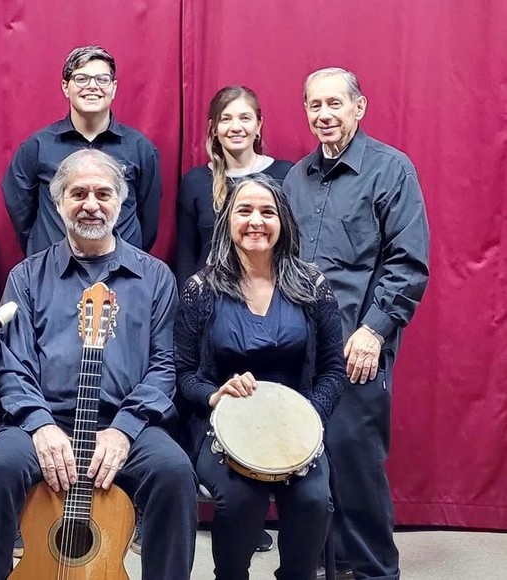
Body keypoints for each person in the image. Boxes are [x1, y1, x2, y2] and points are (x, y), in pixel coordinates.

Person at [0, 149, 197, 580]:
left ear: (122, 202)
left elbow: (165, 367)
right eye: (78, 193)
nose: (91, 204)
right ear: (58, 202)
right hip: (41, 422)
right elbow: (12, 365)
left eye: (103, 193)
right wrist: (41, 424)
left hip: (126, 423)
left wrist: (125, 429)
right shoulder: (26, 277)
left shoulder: (156, 277)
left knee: (175, 474)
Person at [283, 67, 430, 580]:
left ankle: (371, 572)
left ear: (359, 107)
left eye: (334, 104)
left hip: (357, 346)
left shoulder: (391, 170)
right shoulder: (294, 178)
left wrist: (373, 330)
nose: (324, 115)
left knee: (355, 466)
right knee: (307, 468)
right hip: (300, 348)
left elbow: (407, 261)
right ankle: (327, 566)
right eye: (314, 106)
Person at [176, 174, 345, 579]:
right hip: (223, 428)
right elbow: (182, 373)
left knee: (312, 501)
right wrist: (215, 395)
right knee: (238, 500)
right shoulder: (201, 289)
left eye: (267, 211)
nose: (256, 221)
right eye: (244, 210)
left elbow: (333, 371)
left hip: (297, 431)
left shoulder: (313, 286)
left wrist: (307, 415)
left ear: (283, 221)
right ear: (227, 221)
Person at [3, 45, 161, 257]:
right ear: (65, 87)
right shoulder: (37, 147)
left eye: (102, 79)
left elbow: (148, 219)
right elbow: (20, 211)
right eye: (81, 79)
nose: (92, 86)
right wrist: (44, 247)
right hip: (54, 274)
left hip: (122, 274)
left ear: (113, 88)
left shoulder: (140, 148)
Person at [176, 85, 294, 287]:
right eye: (226, 119)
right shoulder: (195, 182)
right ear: (214, 128)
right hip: (210, 300)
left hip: (271, 297)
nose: (236, 127)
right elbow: (186, 255)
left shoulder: (286, 175)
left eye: (245, 118)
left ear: (259, 125)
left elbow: (293, 247)